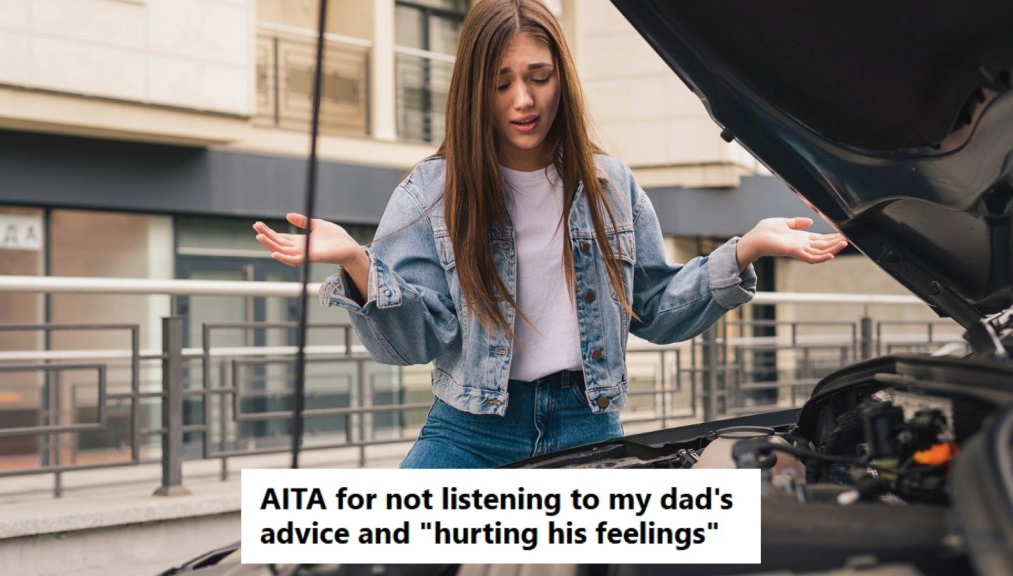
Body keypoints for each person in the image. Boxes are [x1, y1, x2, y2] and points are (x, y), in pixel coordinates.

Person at [253, 0, 847, 468]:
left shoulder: (611, 183)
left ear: (562, 77)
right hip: (470, 435)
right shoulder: (431, 190)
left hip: (589, 426)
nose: (523, 99)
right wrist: (359, 263)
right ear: (474, 89)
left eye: (539, 76)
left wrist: (747, 247)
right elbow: (413, 342)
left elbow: (655, 309)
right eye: (502, 81)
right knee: (380, 553)